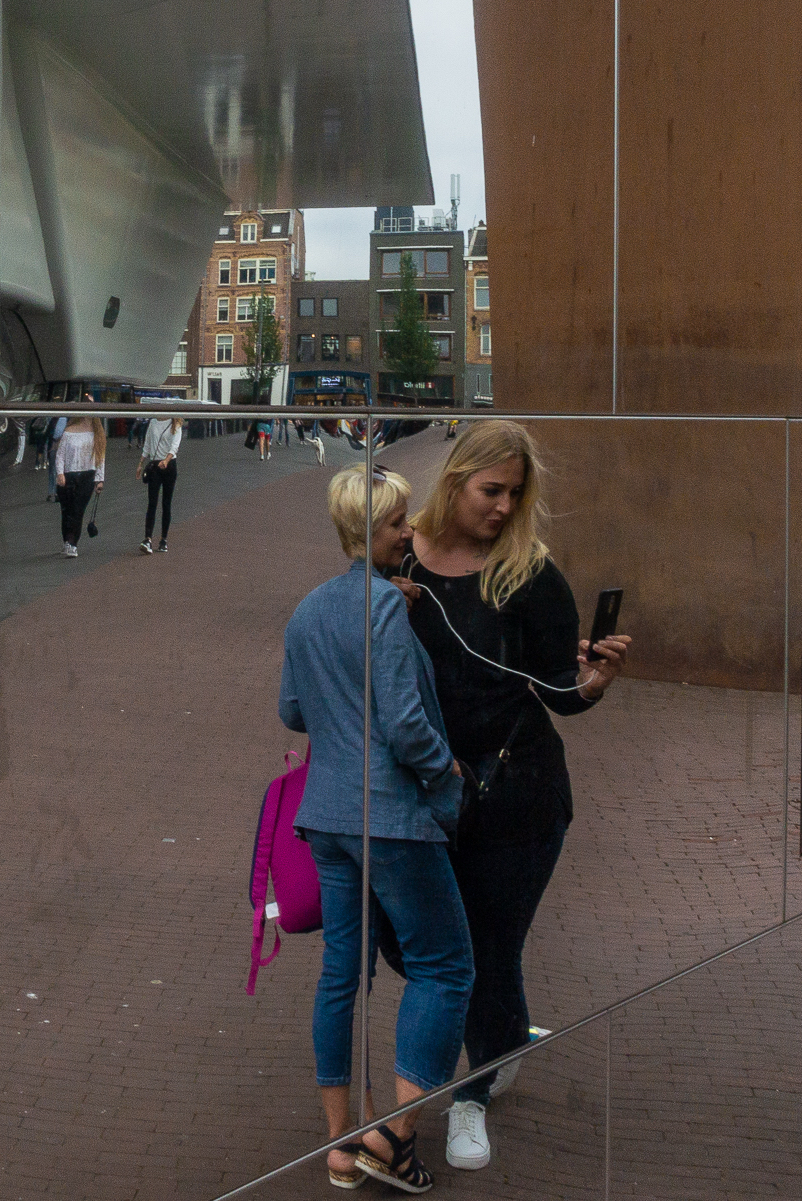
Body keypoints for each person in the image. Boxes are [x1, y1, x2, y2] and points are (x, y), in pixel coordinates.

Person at [390, 420, 630, 1172]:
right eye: (491, 490)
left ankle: (471, 1094)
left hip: (518, 794)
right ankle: (509, 1033)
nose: (502, 507)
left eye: (514, 495)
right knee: (412, 942)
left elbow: (565, 695)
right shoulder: (398, 556)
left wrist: (596, 677)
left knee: (488, 945)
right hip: (426, 795)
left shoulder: (528, 573)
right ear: (455, 478)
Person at [281, 466, 471, 1194]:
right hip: (388, 815)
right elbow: (403, 723)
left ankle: (340, 1143)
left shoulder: (308, 609)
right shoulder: (385, 609)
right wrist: (446, 774)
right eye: (399, 524)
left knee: (342, 974)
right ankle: (395, 1137)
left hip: (325, 817)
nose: (407, 533)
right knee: (445, 965)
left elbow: (293, 709)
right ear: (373, 530)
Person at [53, 408, 106, 558]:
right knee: (67, 511)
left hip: (87, 475)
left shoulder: (97, 434)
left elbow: (100, 458)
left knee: (78, 510)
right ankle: (67, 541)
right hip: (68, 476)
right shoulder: (69, 431)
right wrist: (60, 473)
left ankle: (73, 543)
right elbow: (60, 455)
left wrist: (99, 480)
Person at [137, 416, 182, 554]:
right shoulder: (153, 422)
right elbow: (148, 444)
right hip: (156, 465)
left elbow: (175, 446)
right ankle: (148, 539)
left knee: (166, 503)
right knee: (152, 502)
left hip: (169, 465)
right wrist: (140, 463)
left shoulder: (176, 423)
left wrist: (167, 460)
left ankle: (164, 539)